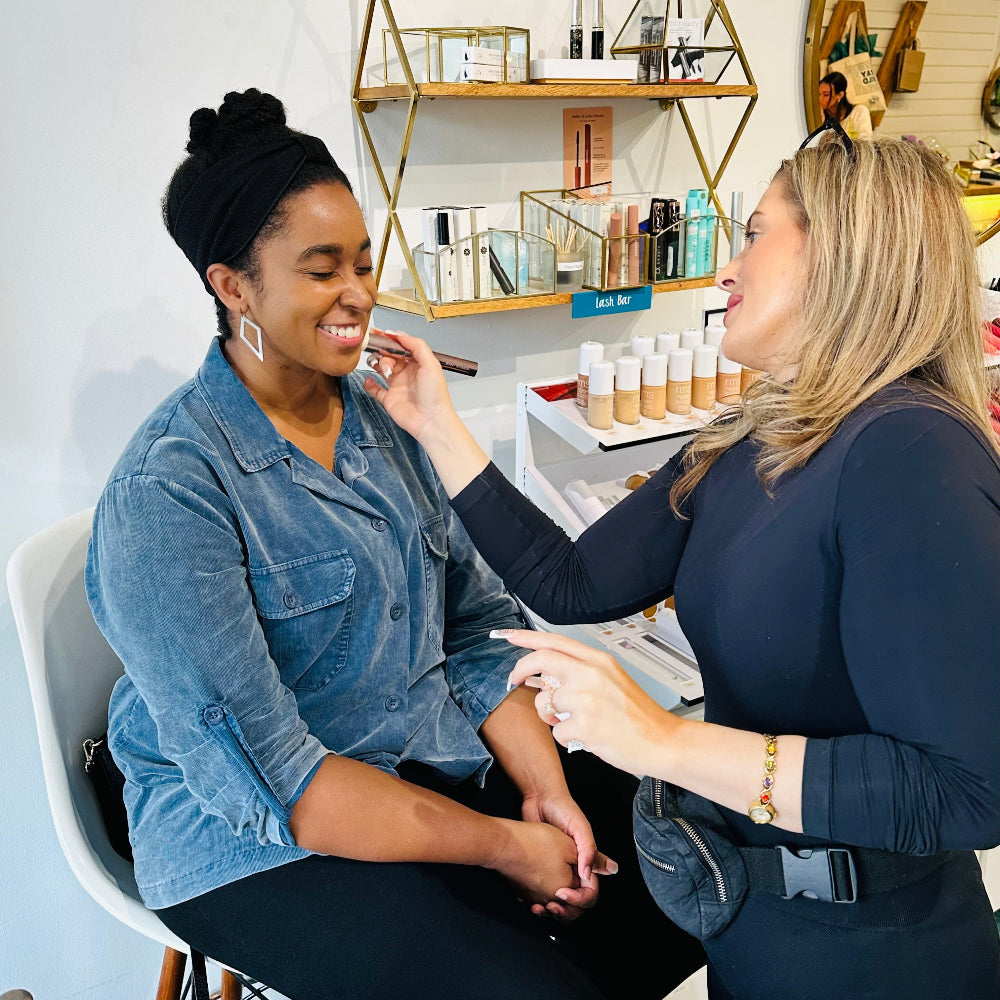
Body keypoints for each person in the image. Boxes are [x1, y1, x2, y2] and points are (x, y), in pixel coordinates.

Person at [84, 89, 706, 1000]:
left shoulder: (384, 426)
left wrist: (549, 795)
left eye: (365, 263)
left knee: (688, 883)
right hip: (256, 836)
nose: (358, 295)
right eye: (321, 268)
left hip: (424, 762)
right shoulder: (170, 494)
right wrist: (507, 849)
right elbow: (280, 782)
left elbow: (477, 627)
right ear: (232, 286)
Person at [366, 135, 1000, 1000]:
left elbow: (968, 790)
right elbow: (574, 583)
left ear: (844, 254)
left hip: (873, 952)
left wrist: (660, 738)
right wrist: (435, 423)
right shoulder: (746, 435)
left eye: (752, 234)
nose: (724, 271)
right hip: (749, 916)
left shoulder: (910, 450)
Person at [818, 71, 873, 139]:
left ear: (840, 95)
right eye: (819, 94)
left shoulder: (859, 111)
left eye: (826, 95)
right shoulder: (821, 115)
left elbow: (865, 142)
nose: (820, 98)